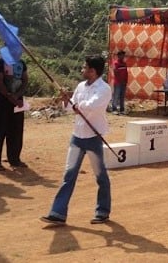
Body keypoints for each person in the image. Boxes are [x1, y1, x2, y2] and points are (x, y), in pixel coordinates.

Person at [41, 55, 112, 225]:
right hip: (77, 136)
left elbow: (92, 106)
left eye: (84, 67)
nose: (82, 69)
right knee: (69, 175)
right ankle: (58, 213)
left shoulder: (104, 89)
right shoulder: (81, 86)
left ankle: (102, 211)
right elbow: (71, 109)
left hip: (93, 138)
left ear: (93, 71)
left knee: (100, 176)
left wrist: (75, 104)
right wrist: (67, 101)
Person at [0, 55, 29, 170]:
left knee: (16, 131)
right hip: (3, 101)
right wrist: (10, 97)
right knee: (0, 131)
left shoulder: (21, 63)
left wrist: (17, 96)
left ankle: (14, 159)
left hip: (18, 102)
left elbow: (25, 80)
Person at [110, 50, 128, 115]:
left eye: (123, 55)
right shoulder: (115, 63)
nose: (123, 56)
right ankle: (114, 109)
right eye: (122, 55)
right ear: (118, 56)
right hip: (118, 83)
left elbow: (126, 73)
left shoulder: (124, 64)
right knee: (116, 95)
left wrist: (125, 81)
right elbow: (116, 73)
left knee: (122, 96)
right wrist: (121, 81)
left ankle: (122, 110)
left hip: (124, 83)